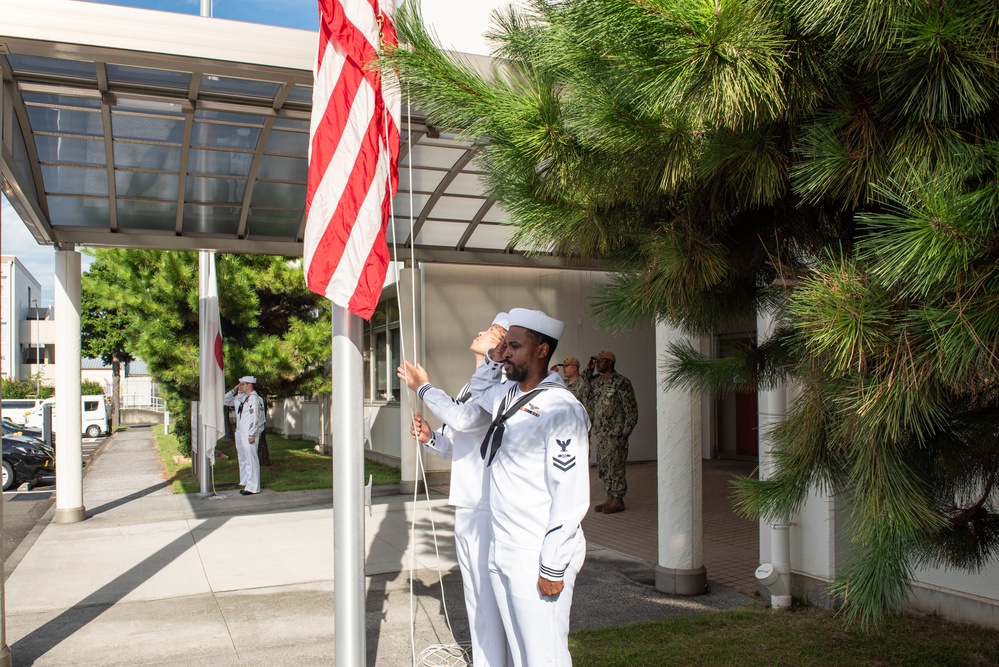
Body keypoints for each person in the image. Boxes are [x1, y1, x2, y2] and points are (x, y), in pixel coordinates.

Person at [397, 313, 510, 667]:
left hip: (486, 503)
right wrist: (431, 437)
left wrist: (424, 388)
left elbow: (465, 419)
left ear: (503, 348)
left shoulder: (500, 385)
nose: (480, 332)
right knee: (476, 596)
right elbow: (454, 441)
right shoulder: (470, 387)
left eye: (491, 332)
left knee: (487, 597)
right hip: (468, 501)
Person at [584, 350, 638, 514]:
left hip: (616, 433)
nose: (597, 364)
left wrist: (626, 432)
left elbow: (631, 409)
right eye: (596, 361)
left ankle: (618, 499)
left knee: (616, 466)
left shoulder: (621, 382)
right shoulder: (597, 381)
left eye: (600, 361)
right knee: (604, 466)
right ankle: (610, 496)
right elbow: (584, 387)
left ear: (609, 363)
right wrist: (588, 370)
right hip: (601, 433)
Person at [223, 375, 266, 496]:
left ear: (249, 385)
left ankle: (253, 486)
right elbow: (225, 400)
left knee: (251, 459)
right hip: (241, 431)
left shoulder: (254, 398)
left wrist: (252, 433)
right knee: (244, 458)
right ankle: (247, 482)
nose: (240, 386)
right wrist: (234, 390)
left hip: (249, 433)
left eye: (242, 384)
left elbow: (256, 417)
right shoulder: (242, 398)